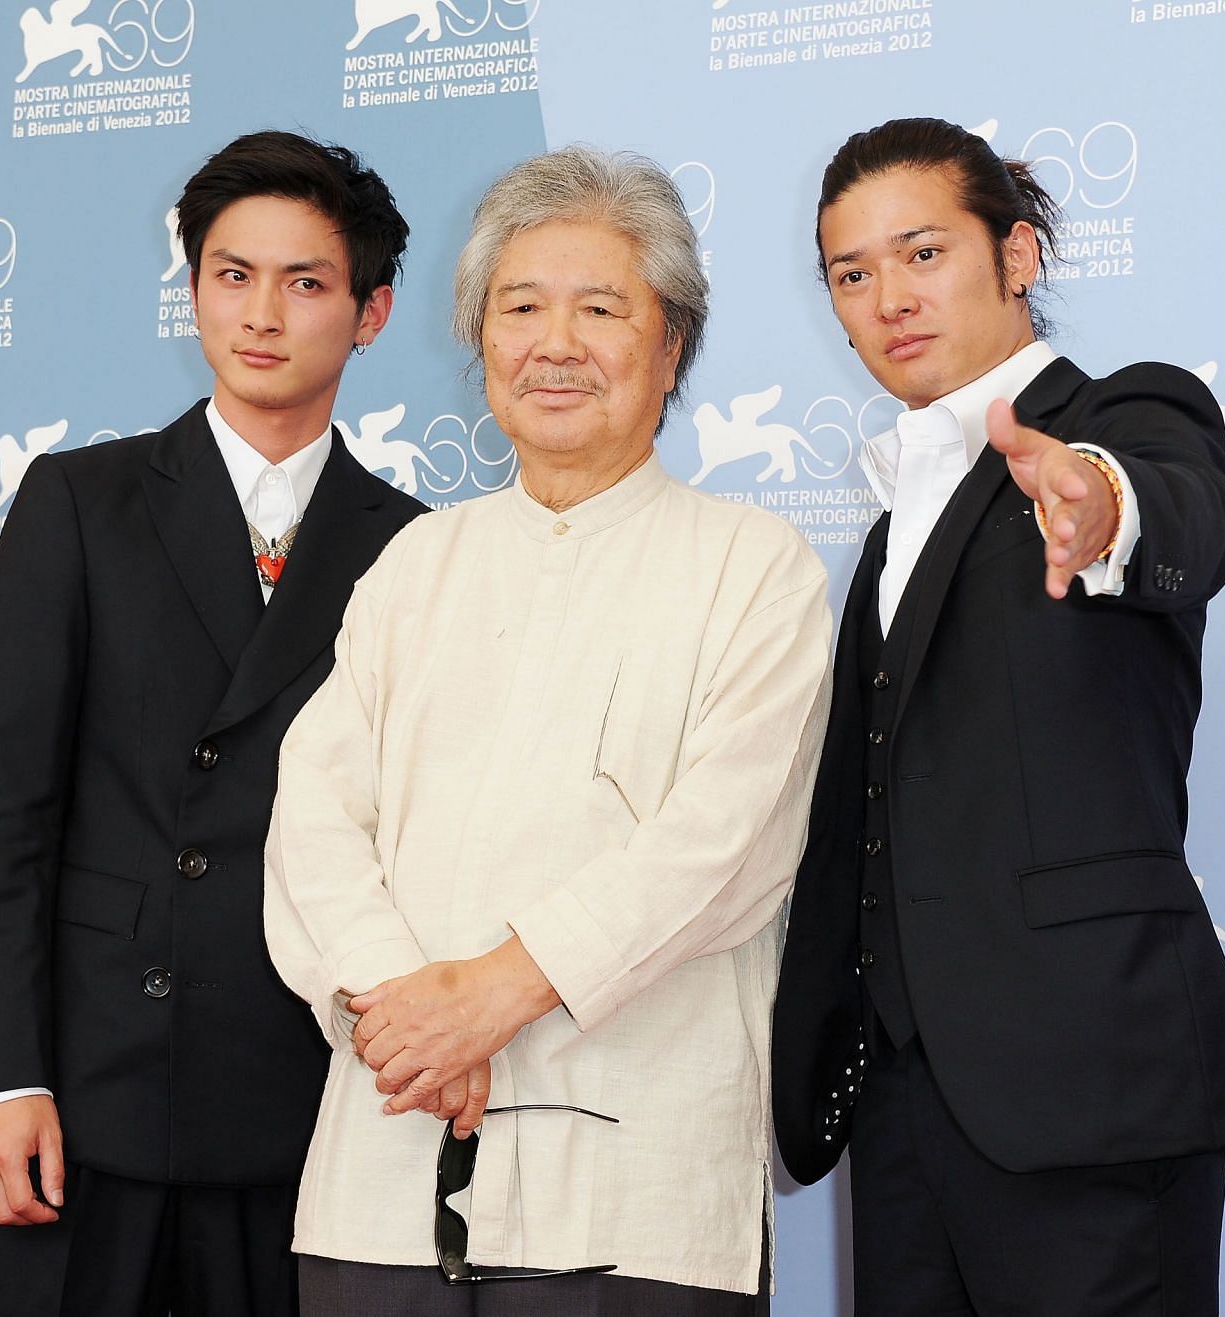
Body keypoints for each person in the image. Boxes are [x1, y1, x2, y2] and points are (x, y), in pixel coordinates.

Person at [264, 145, 832, 1312]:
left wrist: (497, 994)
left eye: (601, 309)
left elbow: (721, 847)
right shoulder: (418, 562)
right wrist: (408, 1013)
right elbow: (315, 816)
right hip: (388, 1160)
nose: (554, 344)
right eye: (520, 308)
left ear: (670, 346)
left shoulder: (752, 565)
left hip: (638, 1194)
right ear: (478, 341)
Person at [770, 117, 1225, 1315]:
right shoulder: (891, 522)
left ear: (1018, 256)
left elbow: (1185, 512)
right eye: (852, 274)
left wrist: (1101, 504)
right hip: (902, 1102)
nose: (888, 297)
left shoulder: (1122, 414)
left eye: (923, 253)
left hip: (1090, 1088)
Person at [0, 130, 424, 1316]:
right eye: (230, 274)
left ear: (370, 313)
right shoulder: (79, 501)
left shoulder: (421, 546)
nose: (261, 313)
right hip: (85, 1088)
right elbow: (3, 811)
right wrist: (1, 1078)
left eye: (305, 282)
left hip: (307, 1093)